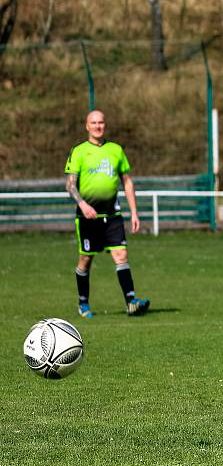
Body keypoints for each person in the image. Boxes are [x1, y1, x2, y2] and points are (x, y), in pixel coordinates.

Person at [65, 110, 151, 318]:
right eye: (93, 123)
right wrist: (83, 204)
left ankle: (131, 302)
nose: (97, 126)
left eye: (101, 122)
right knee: (86, 259)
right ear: (87, 126)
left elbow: (127, 182)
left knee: (121, 255)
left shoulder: (116, 150)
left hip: (112, 214)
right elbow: (70, 184)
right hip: (87, 217)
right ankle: (83, 303)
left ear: (105, 125)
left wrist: (134, 213)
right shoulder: (79, 151)